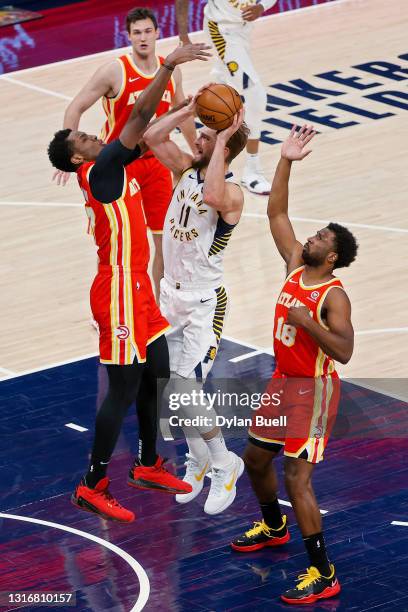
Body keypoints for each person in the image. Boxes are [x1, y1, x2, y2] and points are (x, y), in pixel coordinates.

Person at [47, 42, 210, 523]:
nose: (92, 138)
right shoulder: (101, 171)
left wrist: (186, 108)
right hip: (116, 288)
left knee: (156, 371)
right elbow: (139, 112)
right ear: (79, 161)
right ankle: (92, 483)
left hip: (138, 284)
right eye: (83, 141)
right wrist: (168, 66)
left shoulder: (113, 164)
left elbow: (149, 130)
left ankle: (146, 462)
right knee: (122, 388)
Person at [230, 125, 358, 603]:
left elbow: (343, 352)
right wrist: (284, 161)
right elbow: (277, 211)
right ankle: (272, 524)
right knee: (255, 459)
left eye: (321, 237)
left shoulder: (333, 295)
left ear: (334, 256)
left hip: (314, 388)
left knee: (296, 477)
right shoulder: (293, 266)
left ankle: (324, 573)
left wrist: (308, 324)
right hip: (283, 382)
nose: (311, 236)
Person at [143, 92, 249, 514]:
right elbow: (152, 135)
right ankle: (200, 460)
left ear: (222, 145)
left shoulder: (233, 194)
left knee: (185, 385)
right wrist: (189, 110)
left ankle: (225, 462)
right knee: (172, 391)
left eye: (203, 135)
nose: (196, 138)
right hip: (171, 293)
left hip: (205, 302)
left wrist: (222, 137)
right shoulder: (185, 169)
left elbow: (211, 192)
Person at [54, 7, 198, 298]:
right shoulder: (115, 70)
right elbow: (75, 107)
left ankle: (158, 303)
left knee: (162, 241)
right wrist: (68, 155)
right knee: (115, 243)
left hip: (157, 163)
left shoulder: (173, 72)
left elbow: (182, 113)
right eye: (137, 33)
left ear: (157, 33)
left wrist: (195, 153)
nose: (143, 38)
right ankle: (108, 297)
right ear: (128, 36)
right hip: (119, 164)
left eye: (148, 31)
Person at [175, 0, 277, 195]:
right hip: (221, 29)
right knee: (255, 96)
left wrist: (262, 6)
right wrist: (183, 35)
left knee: (222, 95)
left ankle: (203, 152)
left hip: (243, 31)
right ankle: (252, 171)